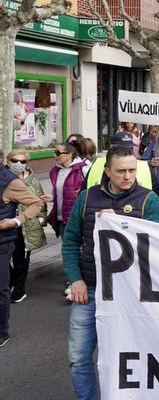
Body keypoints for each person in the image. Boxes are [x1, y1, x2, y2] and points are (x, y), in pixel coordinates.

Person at [63, 146, 159, 400]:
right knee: (79, 357)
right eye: (121, 171)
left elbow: (157, 246)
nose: (128, 176)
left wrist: (120, 224)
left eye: (132, 170)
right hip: (91, 291)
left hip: (128, 297)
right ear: (107, 171)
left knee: (123, 359)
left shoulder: (149, 201)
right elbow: (71, 241)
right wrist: (76, 280)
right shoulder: (86, 199)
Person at [0, 149, 43, 346]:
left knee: (1, 287)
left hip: (2, 242)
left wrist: (17, 221)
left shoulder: (10, 182)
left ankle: (2, 332)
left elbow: (36, 203)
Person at [7, 149, 48, 304]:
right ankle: (11, 281)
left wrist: (41, 218)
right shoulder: (5, 179)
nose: (19, 164)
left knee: (21, 259)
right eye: (15, 161)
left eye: (23, 161)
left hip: (27, 226)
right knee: (4, 258)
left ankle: (18, 290)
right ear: (8, 161)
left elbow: (41, 203)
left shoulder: (33, 181)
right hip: (7, 224)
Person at [49, 142, 88, 238]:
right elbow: (57, 189)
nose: (54, 155)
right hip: (61, 218)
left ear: (69, 155)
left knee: (78, 247)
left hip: (77, 217)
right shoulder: (55, 171)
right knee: (66, 246)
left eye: (58, 153)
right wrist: (51, 196)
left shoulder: (83, 169)